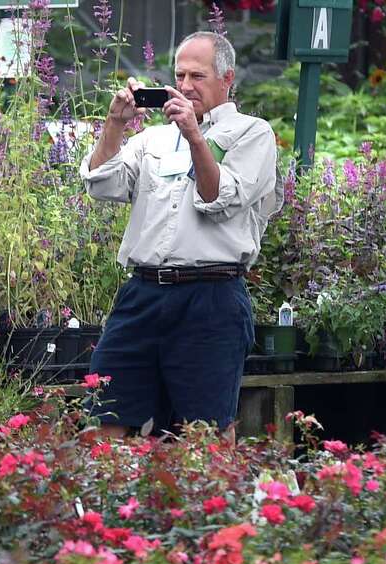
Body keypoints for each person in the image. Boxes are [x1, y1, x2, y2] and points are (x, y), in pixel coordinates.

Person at [80, 31, 282, 439]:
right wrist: (115, 126)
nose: (186, 86)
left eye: (198, 76)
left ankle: (208, 503)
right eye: (180, 75)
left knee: (203, 434)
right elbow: (101, 183)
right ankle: (111, 500)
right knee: (105, 419)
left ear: (227, 78)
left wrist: (194, 136)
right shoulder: (153, 138)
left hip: (210, 298)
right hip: (142, 295)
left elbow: (219, 197)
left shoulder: (252, 134)